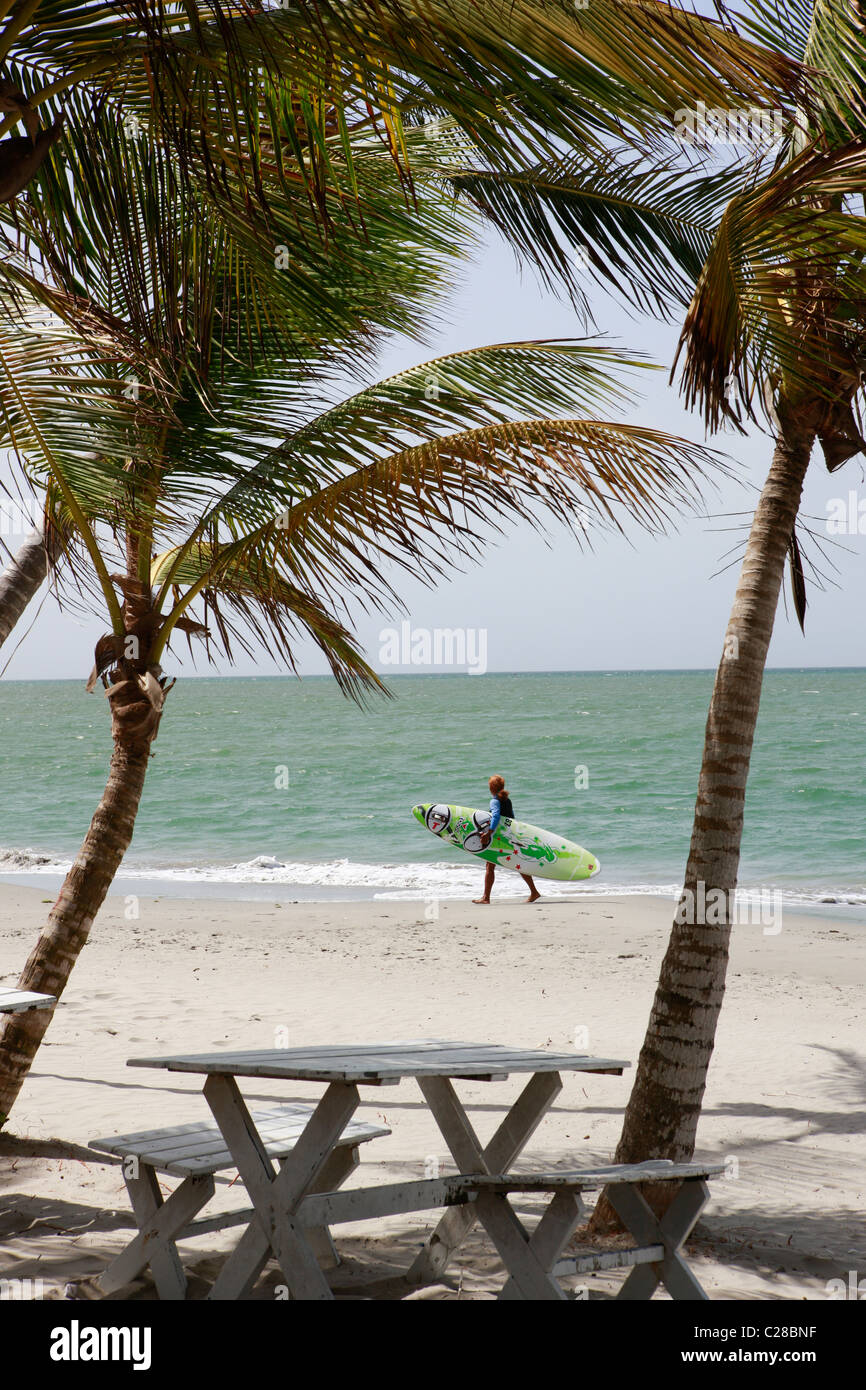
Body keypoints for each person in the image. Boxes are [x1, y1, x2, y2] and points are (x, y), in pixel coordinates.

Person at [472, 774, 541, 904]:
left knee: (490, 866)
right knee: (517, 864)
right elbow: (511, 819)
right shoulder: (507, 800)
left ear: (491, 787)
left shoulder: (494, 801)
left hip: (497, 837)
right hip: (508, 836)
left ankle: (486, 898)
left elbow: (496, 816)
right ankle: (534, 892)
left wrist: (489, 832)